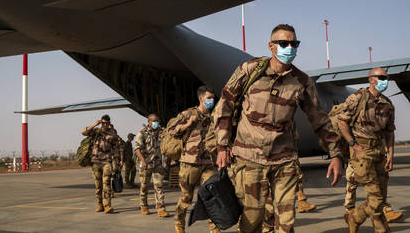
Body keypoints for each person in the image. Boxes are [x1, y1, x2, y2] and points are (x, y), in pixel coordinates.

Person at [214, 24, 343, 233]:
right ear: (271, 46)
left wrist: (336, 153)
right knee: (252, 220)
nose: (289, 47)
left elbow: (319, 118)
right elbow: (226, 104)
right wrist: (222, 146)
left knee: (286, 222)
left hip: (284, 160)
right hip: (249, 157)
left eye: (294, 43)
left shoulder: (302, 82)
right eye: (284, 43)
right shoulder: (249, 70)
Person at [338, 67, 397, 232]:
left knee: (380, 197)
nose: (384, 81)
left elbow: (389, 132)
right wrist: (352, 144)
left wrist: (390, 155)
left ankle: (356, 218)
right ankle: (362, 220)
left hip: (379, 151)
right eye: (381, 77)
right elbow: (342, 122)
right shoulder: (356, 98)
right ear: (371, 79)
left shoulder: (388, 104)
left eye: (386, 78)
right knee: (376, 198)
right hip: (361, 152)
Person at [168, 85, 220, 233]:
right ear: (201, 98)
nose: (211, 100)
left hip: (209, 163)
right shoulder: (188, 114)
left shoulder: (213, 117)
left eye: (213, 98)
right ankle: (179, 224)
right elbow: (171, 130)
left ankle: (215, 228)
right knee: (186, 197)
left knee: (212, 195)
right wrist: (187, 125)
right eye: (209, 98)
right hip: (189, 162)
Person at [81, 114, 120, 213]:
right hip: (95, 162)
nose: (105, 124)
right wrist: (95, 124)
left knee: (106, 184)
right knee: (98, 186)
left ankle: (107, 205)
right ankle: (99, 204)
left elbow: (116, 150)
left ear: (109, 123)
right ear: (101, 123)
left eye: (107, 123)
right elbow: (83, 132)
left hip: (107, 161)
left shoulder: (113, 135)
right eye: (103, 123)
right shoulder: (96, 132)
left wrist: (117, 163)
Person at [134, 114, 169, 218]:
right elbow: (137, 149)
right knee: (144, 186)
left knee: (159, 186)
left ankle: (161, 209)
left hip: (157, 164)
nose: (156, 123)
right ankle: (143, 205)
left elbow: (166, 145)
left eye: (157, 121)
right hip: (145, 164)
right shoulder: (142, 133)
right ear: (149, 122)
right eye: (154, 121)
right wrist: (143, 161)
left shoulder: (161, 132)